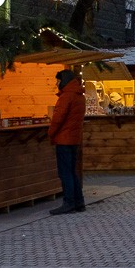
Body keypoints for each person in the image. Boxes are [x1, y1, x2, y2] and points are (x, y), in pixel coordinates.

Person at [48, 69, 86, 215]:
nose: (56, 84)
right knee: (72, 171)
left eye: (58, 81)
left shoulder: (66, 97)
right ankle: (79, 201)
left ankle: (69, 202)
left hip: (63, 139)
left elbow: (58, 118)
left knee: (65, 173)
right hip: (74, 139)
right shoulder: (79, 96)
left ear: (64, 81)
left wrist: (50, 133)